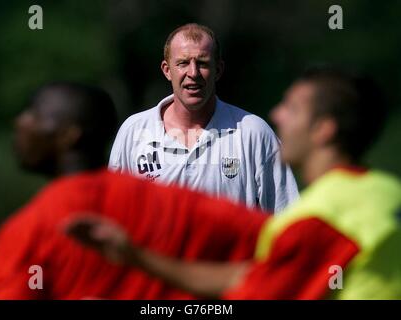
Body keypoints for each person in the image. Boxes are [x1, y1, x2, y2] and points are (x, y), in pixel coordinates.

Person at [66, 67, 401, 299]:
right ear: (167, 69)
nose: (277, 114)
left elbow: (255, 292)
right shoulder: (387, 191)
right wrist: (135, 257)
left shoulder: (321, 217)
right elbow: (253, 276)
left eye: (293, 109)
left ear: (323, 130)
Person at [0, 81, 266, 299]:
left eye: (35, 115)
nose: (20, 122)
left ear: (68, 136)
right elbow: (282, 246)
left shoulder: (32, 229)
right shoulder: (177, 204)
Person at [109, 23, 298, 211]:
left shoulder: (254, 132)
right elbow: (114, 214)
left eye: (203, 63)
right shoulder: (134, 130)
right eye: (183, 63)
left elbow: (286, 217)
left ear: (218, 70)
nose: (193, 73)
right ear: (167, 70)